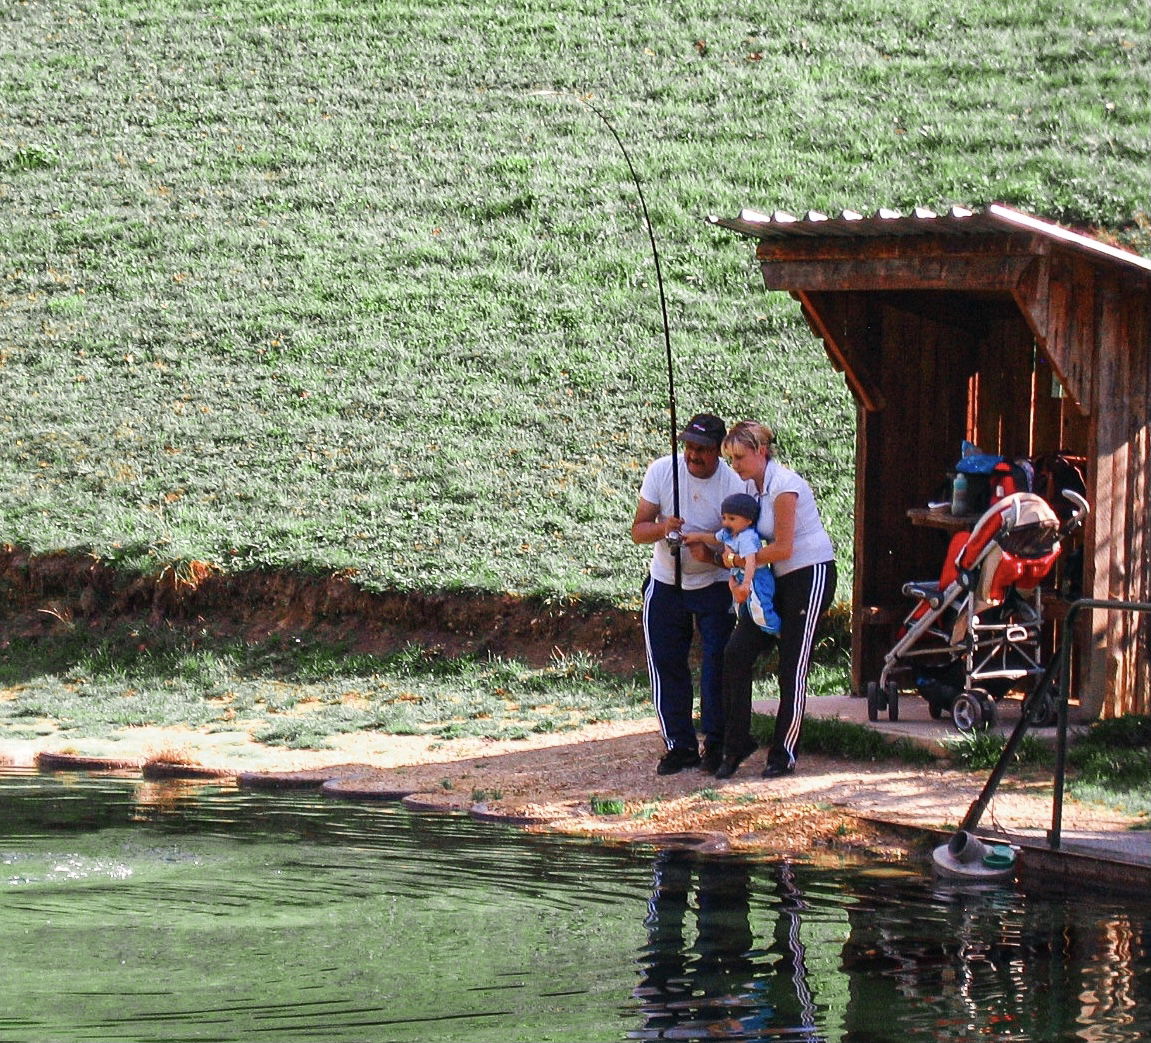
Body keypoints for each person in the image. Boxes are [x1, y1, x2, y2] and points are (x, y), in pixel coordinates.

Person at [712, 420, 836, 780]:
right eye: (730, 458)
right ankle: (736, 743)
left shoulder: (785, 486)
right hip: (771, 580)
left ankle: (784, 753)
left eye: (739, 457)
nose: (734, 465)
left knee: (791, 664)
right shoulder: (752, 488)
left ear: (761, 451)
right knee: (735, 653)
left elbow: (783, 547)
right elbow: (743, 536)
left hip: (808, 573)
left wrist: (737, 561)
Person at [631, 413, 752, 775]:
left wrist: (711, 554)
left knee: (716, 664)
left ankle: (715, 742)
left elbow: (742, 544)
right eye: (689, 447)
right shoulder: (661, 471)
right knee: (667, 663)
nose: (693, 455)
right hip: (666, 583)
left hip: (714, 585)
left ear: (718, 451)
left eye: (702, 449)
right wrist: (662, 528)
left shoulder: (733, 485)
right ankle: (679, 744)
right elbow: (638, 529)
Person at [684, 492, 780, 636]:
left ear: (748, 520)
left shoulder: (747, 538)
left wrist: (747, 584)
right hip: (740, 576)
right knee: (742, 608)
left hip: (756, 579)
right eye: (724, 518)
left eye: (732, 518)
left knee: (760, 608)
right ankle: (759, 633)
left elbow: (751, 562)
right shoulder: (729, 533)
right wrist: (695, 536)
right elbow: (715, 538)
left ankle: (778, 631)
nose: (726, 522)